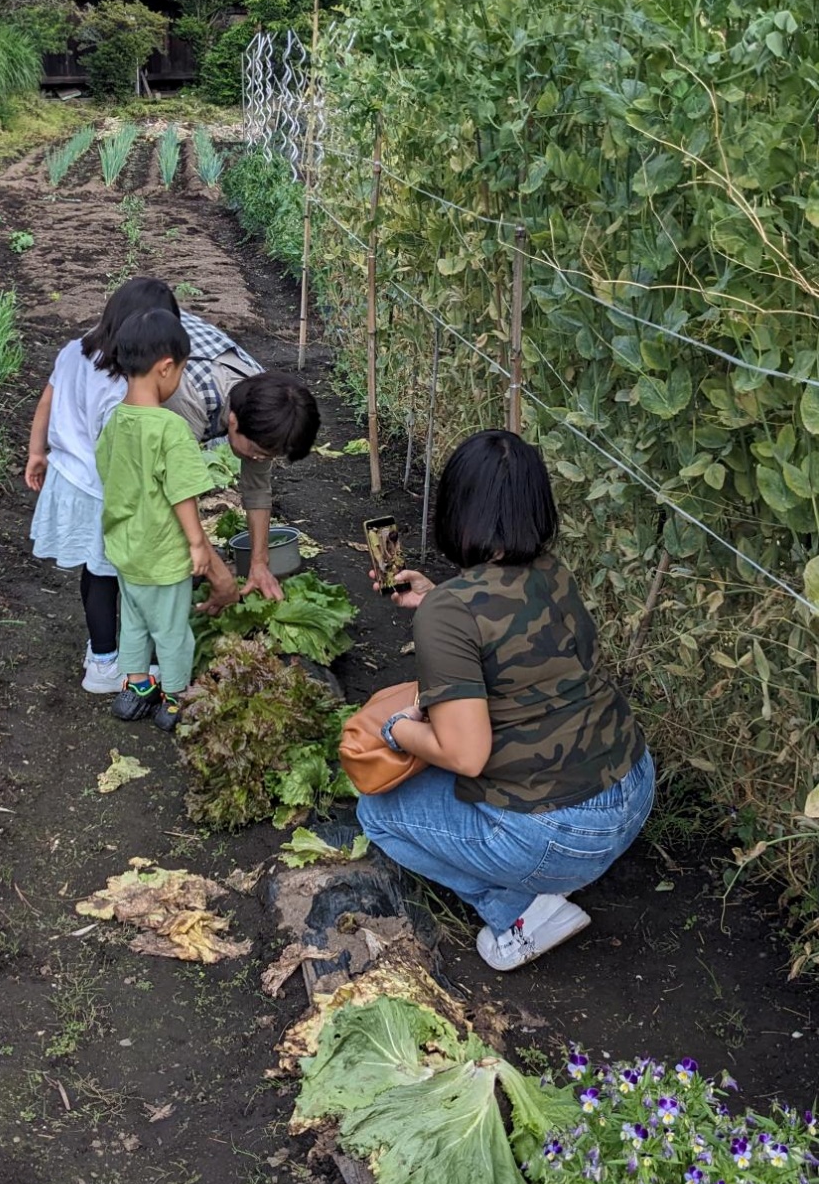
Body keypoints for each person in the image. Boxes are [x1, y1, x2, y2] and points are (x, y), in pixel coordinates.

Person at [358, 430, 655, 972]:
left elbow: (466, 754)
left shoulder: (449, 613)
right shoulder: (554, 572)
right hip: (632, 789)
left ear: (455, 508)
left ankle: (519, 914)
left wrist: (395, 729)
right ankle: (542, 875)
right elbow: (511, 634)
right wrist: (437, 597)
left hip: (564, 835)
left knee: (376, 812)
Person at [24, 278, 233, 695]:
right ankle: (105, 663)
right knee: (109, 575)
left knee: (93, 571)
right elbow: (121, 453)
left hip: (66, 475)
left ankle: (102, 654)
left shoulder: (74, 350)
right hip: (100, 489)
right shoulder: (119, 387)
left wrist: (36, 451)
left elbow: (48, 399)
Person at [95, 309, 216, 732]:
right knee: (172, 630)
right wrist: (197, 543)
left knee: (133, 621)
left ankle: (136, 688)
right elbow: (182, 492)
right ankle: (176, 698)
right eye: (181, 371)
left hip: (126, 548)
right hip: (163, 553)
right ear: (166, 367)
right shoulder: (170, 428)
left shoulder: (115, 420)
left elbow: (106, 472)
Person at [165, 311, 320, 608]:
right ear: (233, 421)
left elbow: (257, 487)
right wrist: (218, 574)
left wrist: (259, 563)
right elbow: (176, 491)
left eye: (270, 455)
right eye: (258, 450)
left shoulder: (264, 404)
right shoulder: (187, 399)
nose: (260, 458)